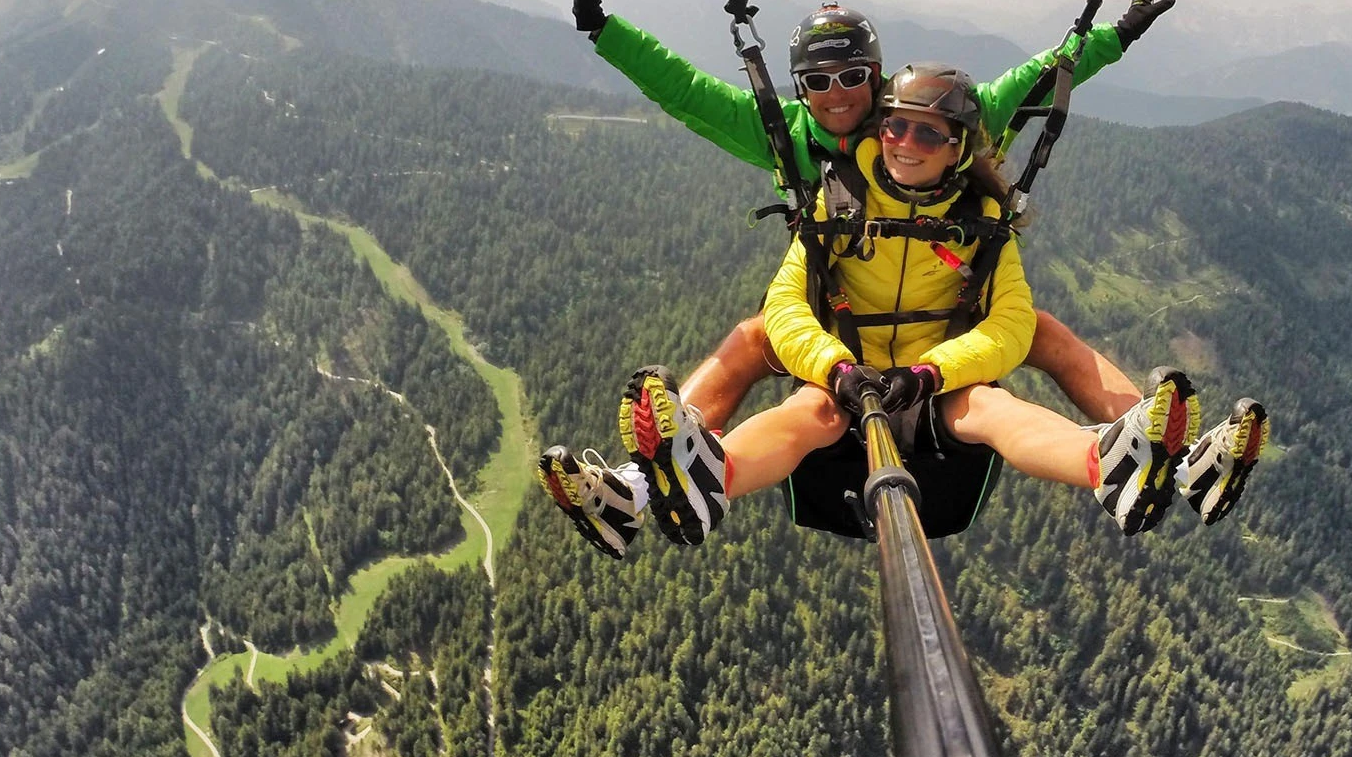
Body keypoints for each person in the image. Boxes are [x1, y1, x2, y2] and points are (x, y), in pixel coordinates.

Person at [541, 64, 1267, 558]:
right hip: (848, 381)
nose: (904, 143)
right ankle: (678, 478)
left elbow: (1010, 324)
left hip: (935, 388)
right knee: (804, 403)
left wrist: (928, 373)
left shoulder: (984, 221)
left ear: (958, 148)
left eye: (927, 133)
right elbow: (788, 304)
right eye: (893, 127)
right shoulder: (837, 203)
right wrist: (836, 367)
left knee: (990, 401)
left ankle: (1122, 459)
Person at [558, 0, 1167, 431]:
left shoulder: (922, 118)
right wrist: (600, 26)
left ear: (877, 77)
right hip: (837, 330)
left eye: (853, 76)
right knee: (750, 338)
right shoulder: (783, 134)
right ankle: (665, 460)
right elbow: (685, 90)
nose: (838, 92)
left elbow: (1038, 80)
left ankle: (1151, 436)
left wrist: (1119, 34)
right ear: (799, 88)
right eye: (817, 81)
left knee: (1041, 328)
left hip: (936, 331)